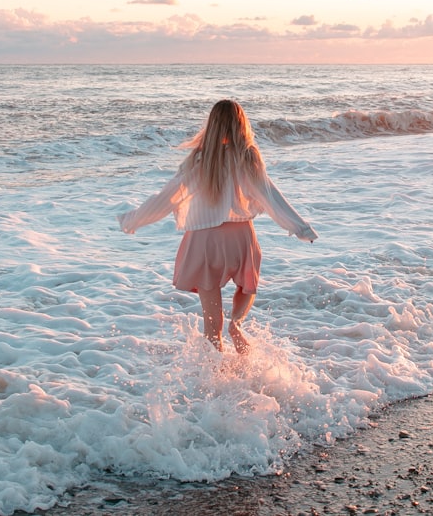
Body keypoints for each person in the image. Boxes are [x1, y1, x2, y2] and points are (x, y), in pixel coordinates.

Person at [117, 99, 318, 354]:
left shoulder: (199, 160)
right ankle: (236, 325)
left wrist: (133, 220)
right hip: (240, 238)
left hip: (203, 242)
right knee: (247, 286)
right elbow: (270, 195)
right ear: (241, 124)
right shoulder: (248, 157)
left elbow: (166, 198)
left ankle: (214, 382)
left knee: (211, 329)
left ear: (211, 125)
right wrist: (301, 228)